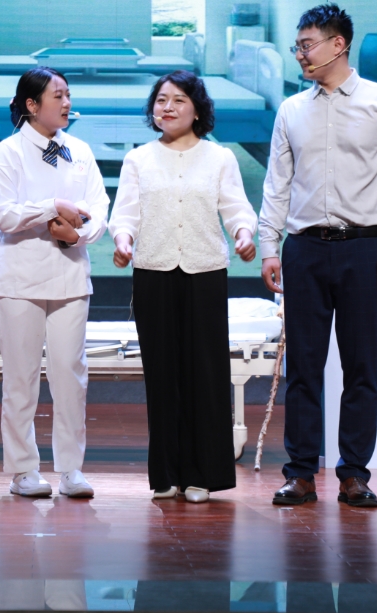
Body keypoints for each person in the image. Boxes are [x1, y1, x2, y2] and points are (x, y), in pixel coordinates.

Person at [259, 3, 377, 508]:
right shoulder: (291, 110)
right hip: (304, 249)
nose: (300, 55)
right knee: (304, 367)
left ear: (338, 44)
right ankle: (301, 473)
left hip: (363, 249)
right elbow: (276, 184)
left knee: (360, 366)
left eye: (307, 45)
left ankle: (353, 474)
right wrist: (269, 247)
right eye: (298, 47)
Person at [108, 70, 258, 504]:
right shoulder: (139, 159)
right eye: (161, 100)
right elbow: (125, 214)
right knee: (162, 376)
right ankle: (166, 473)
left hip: (204, 271)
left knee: (205, 375)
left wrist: (244, 234)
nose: (167, 107)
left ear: (197, 109)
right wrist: (123, 241)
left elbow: (237, 208)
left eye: (177, 100)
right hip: (153, 272)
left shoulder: (219, 158)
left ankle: (202, 474)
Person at [0, 67, 109, 499]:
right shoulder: (8, 151)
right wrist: (52, 206)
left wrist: (77, 234)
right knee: (20, 378)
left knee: (70, 376)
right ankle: (23, 469)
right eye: (58, 95)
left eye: (68, 94)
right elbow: (4, 213)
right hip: (19, 278)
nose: (67, 102)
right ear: (32, 105)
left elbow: (99, 207)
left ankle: (71, 468)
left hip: (70, 275)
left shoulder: (80, 150)